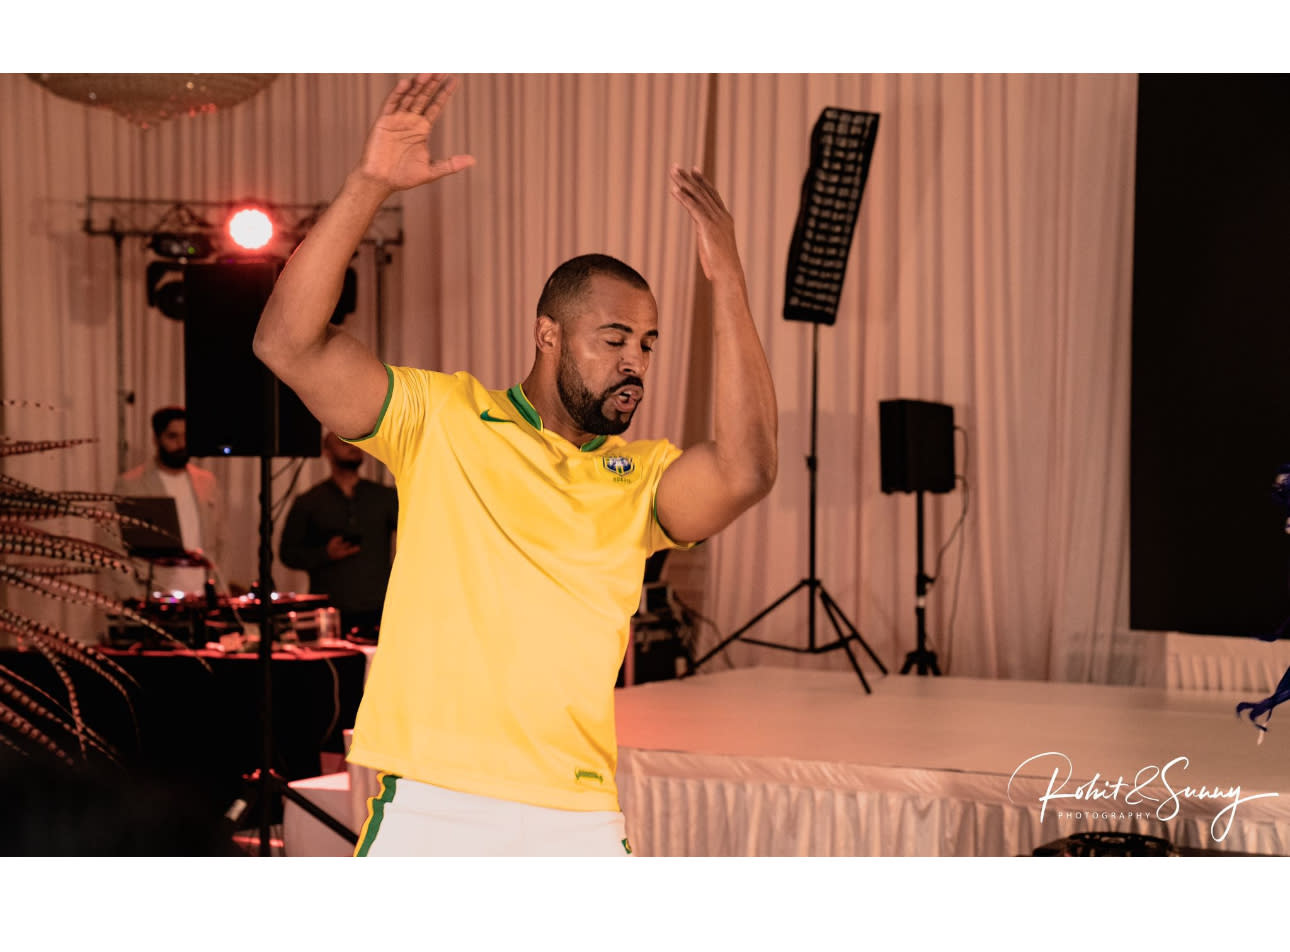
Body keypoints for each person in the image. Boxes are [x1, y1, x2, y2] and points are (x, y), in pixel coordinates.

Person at [252, 74, 778, 856]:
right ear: (548, 336)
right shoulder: (444, 418)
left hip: (577, 811)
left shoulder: (639, 478)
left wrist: (728, 279)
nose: (634, 362)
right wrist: (369, 186)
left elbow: (746, 470)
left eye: (647, 344)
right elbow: (286, 345)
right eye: (614, 340)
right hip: (433, 802)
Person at [279, 432, 398, 641]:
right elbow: (288, 554)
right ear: (326, 451)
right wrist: (326, 553)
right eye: (343, 441)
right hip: (329, 612)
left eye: (357, 441)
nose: (353, 446)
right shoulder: (309, 501)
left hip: (379, 609)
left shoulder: (384, 497)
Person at [114, 405, 224, 596]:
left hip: (203, 592)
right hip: (155, 592)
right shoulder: (132, 483)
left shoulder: (207, 481)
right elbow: (115, 544)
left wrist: (218, 587)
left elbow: (219, 539)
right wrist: (132, 594)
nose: (181, 444)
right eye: (173, 437)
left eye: (186, 436)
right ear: (156, 439)